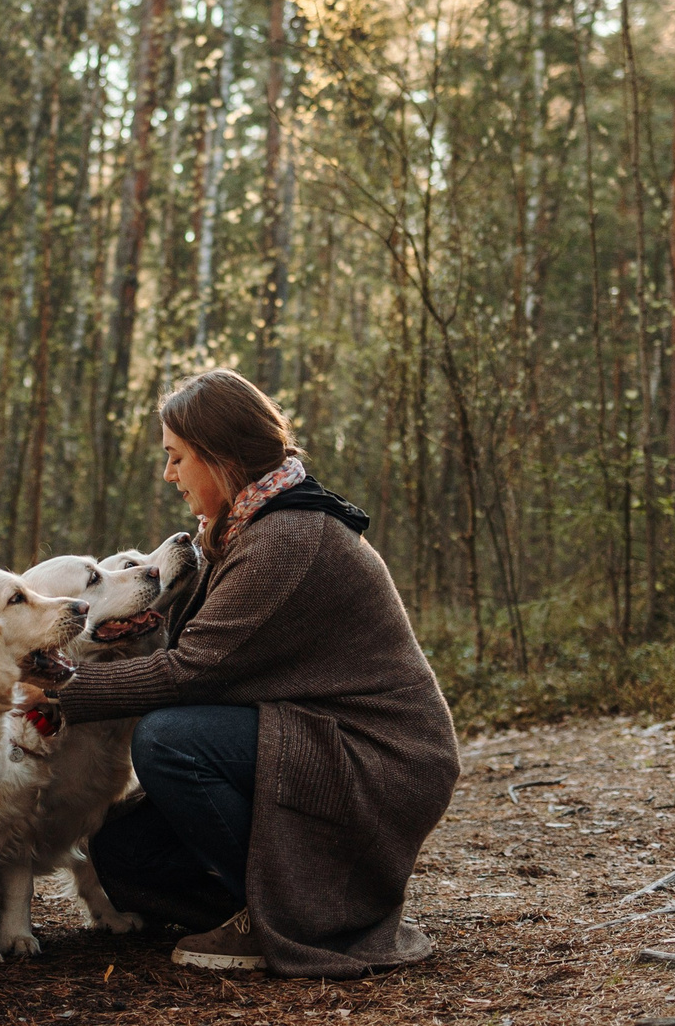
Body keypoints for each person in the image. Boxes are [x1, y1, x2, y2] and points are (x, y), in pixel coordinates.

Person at [56, 368, 460, 976]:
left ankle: (299, 915)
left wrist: (51, 692)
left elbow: (191, 672)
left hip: (378, 755)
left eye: (176, 457)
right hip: (309, 733)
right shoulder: (248, 525)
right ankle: (282, 902)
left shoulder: (287, 539)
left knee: (170, 740)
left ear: (219, 459)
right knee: (121, 853)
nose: (168, 475)